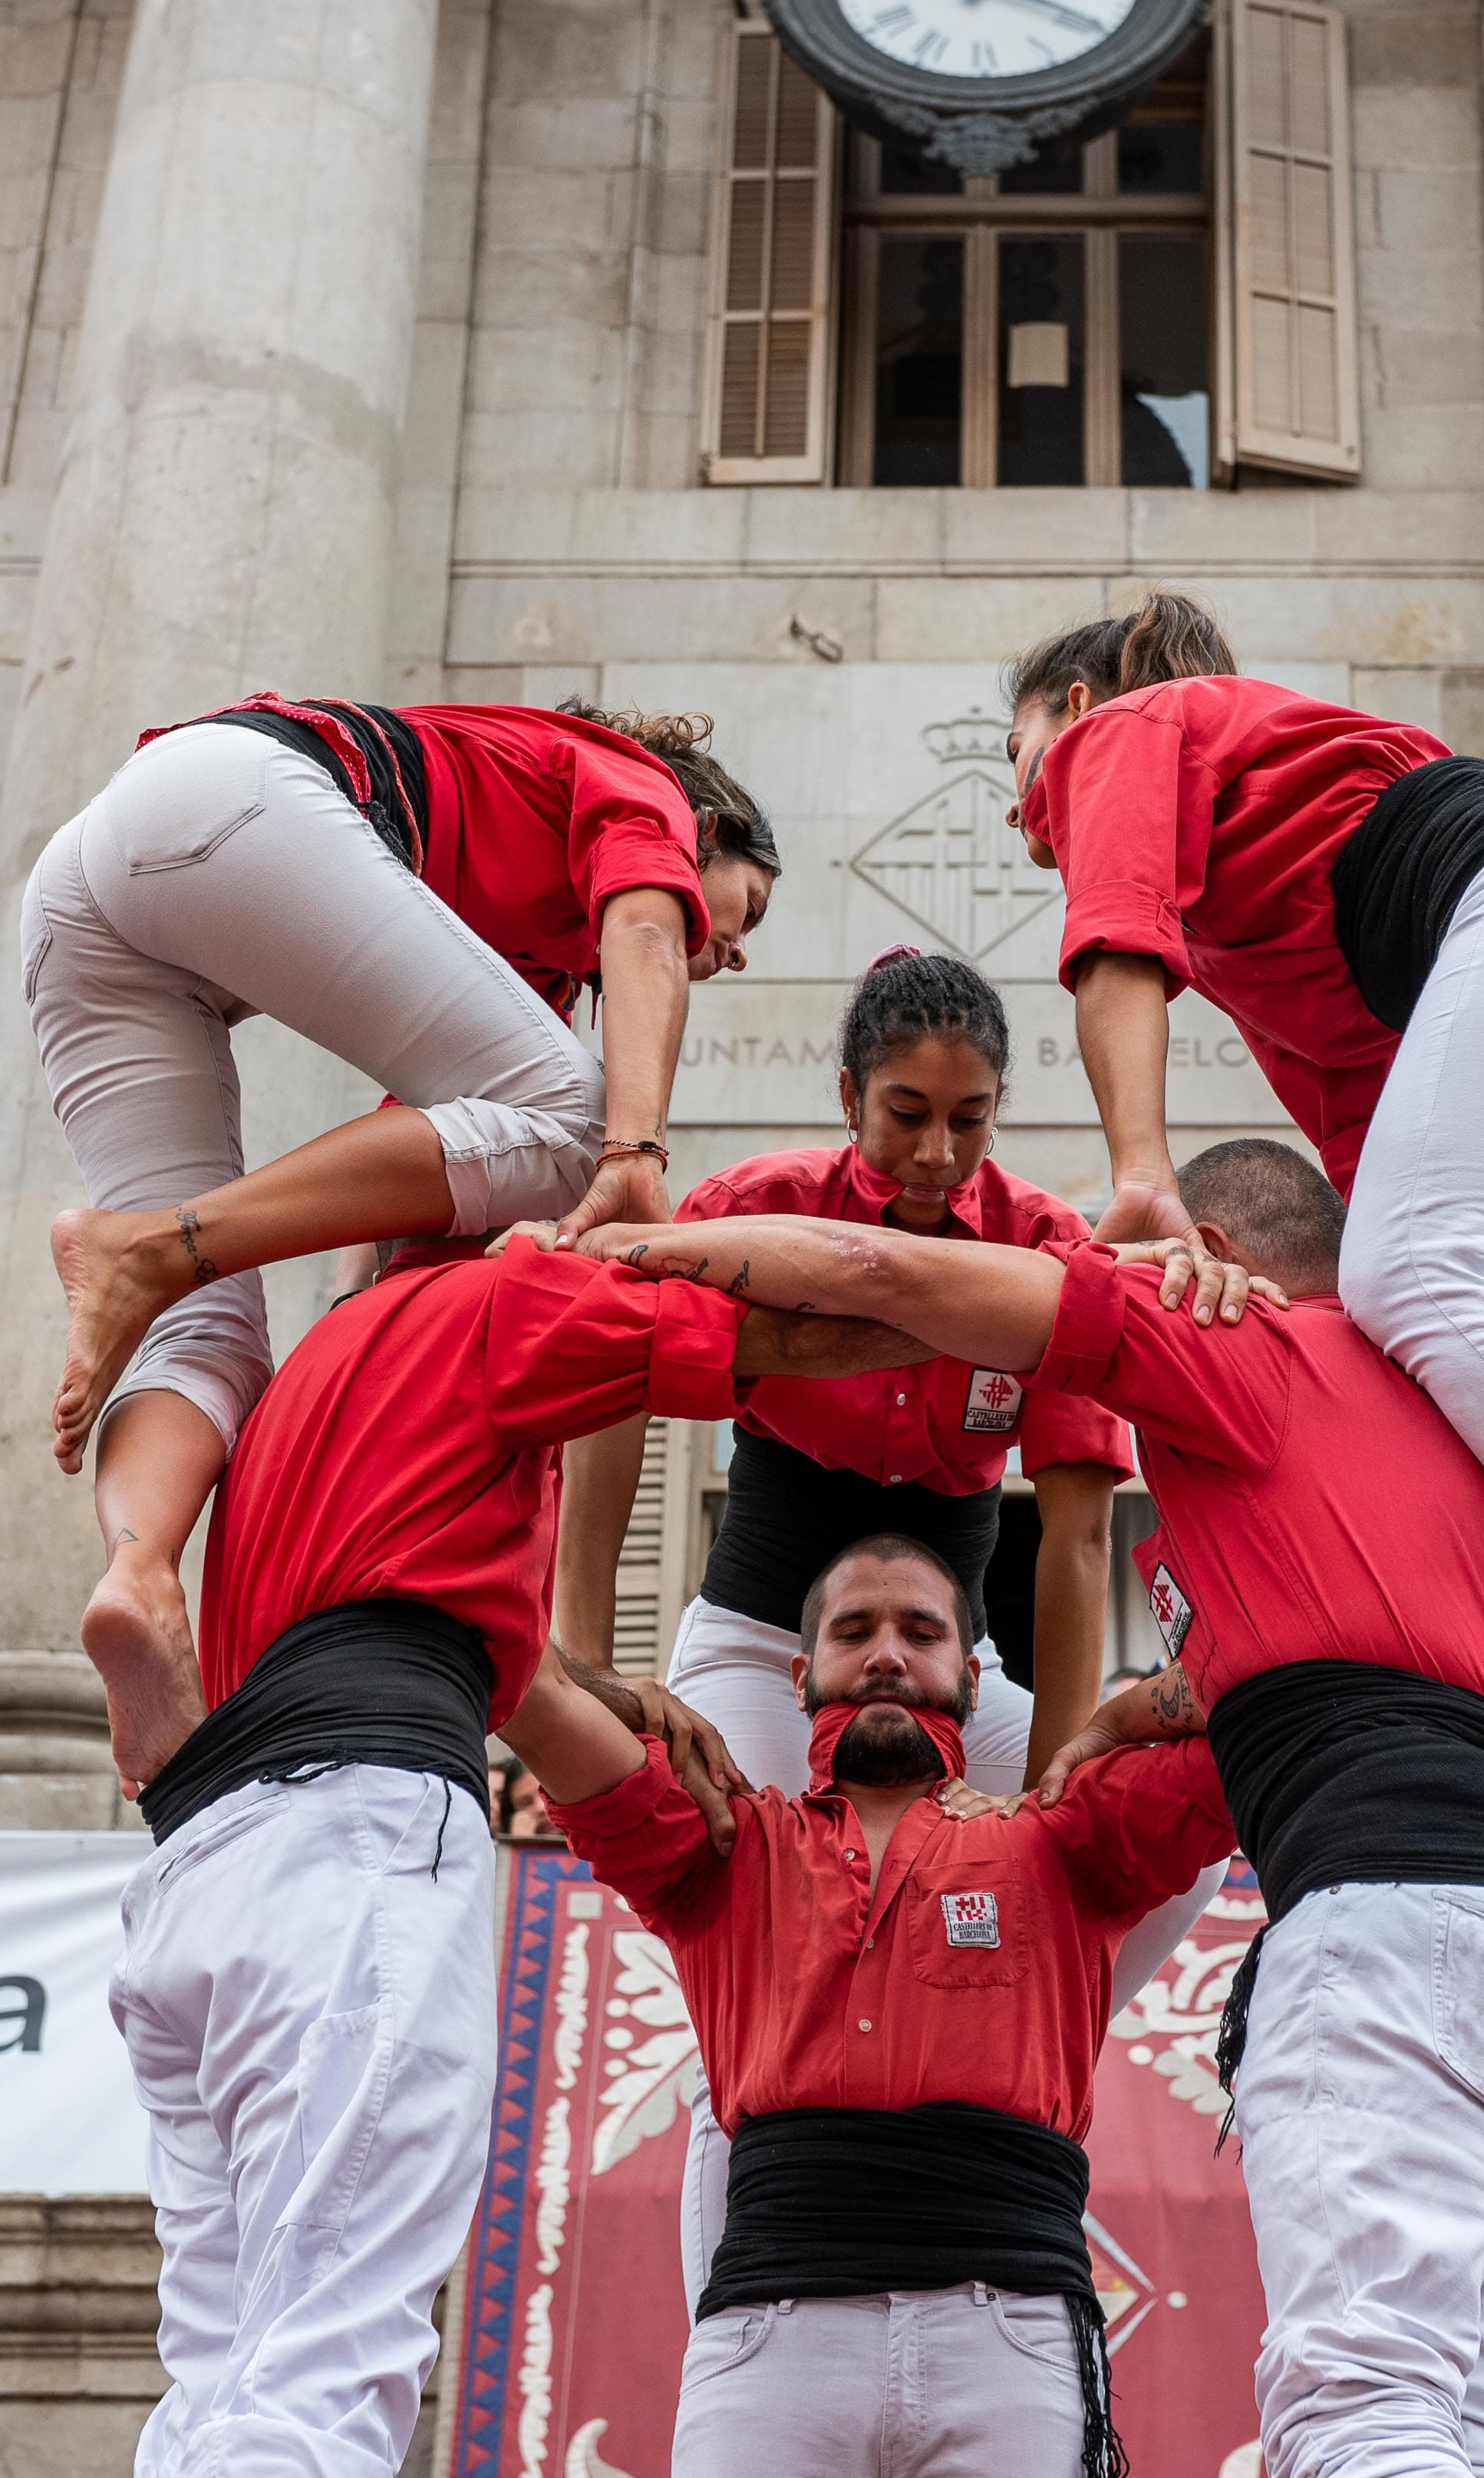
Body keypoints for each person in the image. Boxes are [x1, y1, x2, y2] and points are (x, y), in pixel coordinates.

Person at [566, 1143, 1484, 2474]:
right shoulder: (1467, 1381)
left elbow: (881, 1266)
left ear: (1214, 1256)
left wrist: (606, 1262)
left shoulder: (1234, 1339)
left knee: (1365, 2408)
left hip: (1400, 1914)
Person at [106, 1221, 922, 2478]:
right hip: (357, 1817)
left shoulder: (316, 1365)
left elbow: (452, 1615)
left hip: (207, 1852)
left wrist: (592, 1679)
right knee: (321, 2370)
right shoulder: (503, 1299)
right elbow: (805, 1330)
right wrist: (1026, 1320)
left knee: (222, 2373)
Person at [998, 589, 1484, 1764]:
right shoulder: (1257, 899)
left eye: (1014, 763)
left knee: (1412, 1275)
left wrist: (1142, 1171)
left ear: (1068, 710)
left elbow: (1114, 941)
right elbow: (1363, 1137)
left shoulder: (1121, 729)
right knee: (1435, 1311)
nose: (1021, 813)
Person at [554, 944, 1213, 2306]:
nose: (935, 1151)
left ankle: (998, 2015)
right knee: (749, 1987)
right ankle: (732, 2328)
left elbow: (1080, 1528)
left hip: (948, 1664)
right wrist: (588, 1643)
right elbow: (604, 1385)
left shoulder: (1045, 1247)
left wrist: (1044, 1812)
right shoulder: (759, 1208)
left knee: (1179, 1855)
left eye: (968, 1120)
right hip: (759, 1638)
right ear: (851, 1092)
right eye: (905, 1114)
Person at [31, 694, 777, 1788]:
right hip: (221, 800)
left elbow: (423, 1194)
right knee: (578, 1124)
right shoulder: (638, 784)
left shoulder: (516, 995)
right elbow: (647, 925)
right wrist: (635, 1149)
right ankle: (155, 1248)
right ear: (701, 832)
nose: (741, 950)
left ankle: (139, 1573)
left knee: (213, 1340)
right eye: (745, 906)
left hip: (91, 905)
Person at [506, 1531, 1235, 2478]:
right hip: (768, 2350)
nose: (887, 1652)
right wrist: (617, 1689)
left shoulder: (1069, 1838)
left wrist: (1111, 1722)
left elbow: (1276, 1688)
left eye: (919, 1631)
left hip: (1013, 2341)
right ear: (802, 1674)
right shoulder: (721, 1840)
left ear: (973, 1678)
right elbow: (515, 1681)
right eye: (856, 1630)